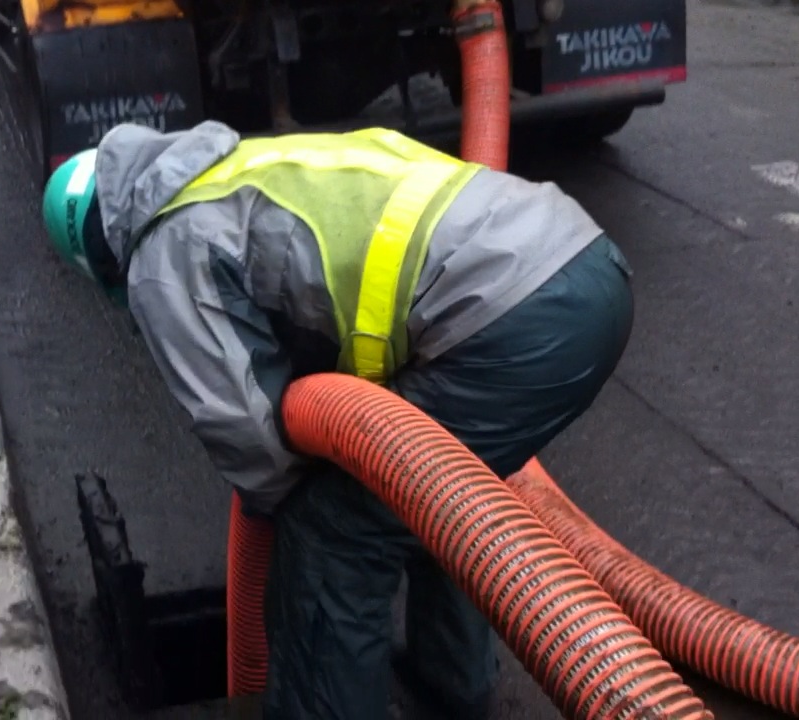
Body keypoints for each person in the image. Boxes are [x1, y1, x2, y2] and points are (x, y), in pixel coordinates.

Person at [40, 120, 635, 719]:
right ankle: (453, 692)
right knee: (438, 502)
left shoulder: (162, 250)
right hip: (583, 261)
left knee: (332, 535)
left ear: (98, 256)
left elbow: (248, 434)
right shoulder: (240, 167)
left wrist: (284, 503)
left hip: (518, 317)